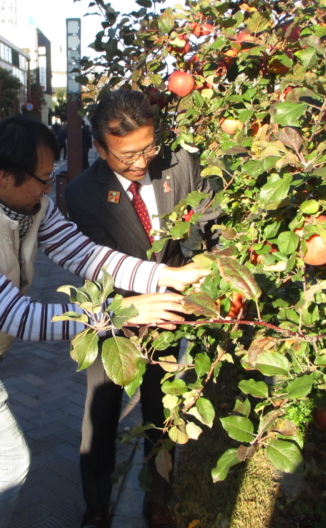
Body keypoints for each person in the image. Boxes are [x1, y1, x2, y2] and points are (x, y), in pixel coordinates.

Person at [0, 115, 210, 528]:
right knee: (9, 461)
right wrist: (124, 312)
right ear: (6, 176)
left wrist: (165, 276)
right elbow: (21, 317)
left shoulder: (29, 204)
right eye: (45, 178)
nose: (49, 188)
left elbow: (85, 254)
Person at [66, 90, 219, 528]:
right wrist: (135, 306)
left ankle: (158, 498)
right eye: (127, 155)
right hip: (114, 316)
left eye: (148, 149)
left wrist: (208, 266)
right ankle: (97, 505)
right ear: (100, 149)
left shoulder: (181, 165)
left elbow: (212, 225)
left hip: (171, 311)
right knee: (102, 411)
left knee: (161, 408)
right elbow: (97, 268)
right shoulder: (82, 195)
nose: (140, 162)